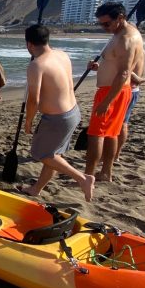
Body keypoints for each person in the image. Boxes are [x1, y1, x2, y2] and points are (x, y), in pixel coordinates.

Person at [20, 25, 95, 201]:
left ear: (29, 44)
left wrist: (29, 120)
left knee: (42, 154)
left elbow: (34, 99)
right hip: (73, 112)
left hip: (57, 119)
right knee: (54, 154)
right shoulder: (62, 54)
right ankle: (36, 189)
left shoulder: (36, 65)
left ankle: (83, 179)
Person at [85, 2, 145, 183]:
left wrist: (107, 101)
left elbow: (124, 73)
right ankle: (105, 173)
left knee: (96, 134)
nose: (104, 28)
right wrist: (99, 67)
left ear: (120, 18)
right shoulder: (120, 33)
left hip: (113, 92)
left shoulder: (126, 39)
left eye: (106, 24)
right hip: (115, 90)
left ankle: (88, 176)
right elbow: (115, 64)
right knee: (111, 133)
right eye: (101, 24)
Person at [114, 49, 145, 161]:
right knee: (123, 122)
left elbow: (126, 70)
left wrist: (138, 79)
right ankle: (116, 154)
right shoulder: (142, 50)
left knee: (120, 123)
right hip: (133, 89)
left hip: (127, 89)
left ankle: (115, 155)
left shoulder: (131, 49)